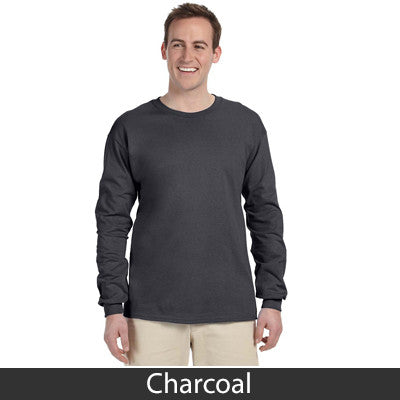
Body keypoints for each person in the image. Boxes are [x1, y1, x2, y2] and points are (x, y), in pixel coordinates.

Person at [95, 2, 288, 366]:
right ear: (164, 50)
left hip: (230, 311)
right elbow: (112, 221)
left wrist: (272, 299)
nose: (187, 56)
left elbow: (264, 214)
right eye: (178, 44)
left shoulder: (245, 125)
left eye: (199, 46)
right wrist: (113, 306)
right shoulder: (130, 128)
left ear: (216, 53)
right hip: (149, 313)